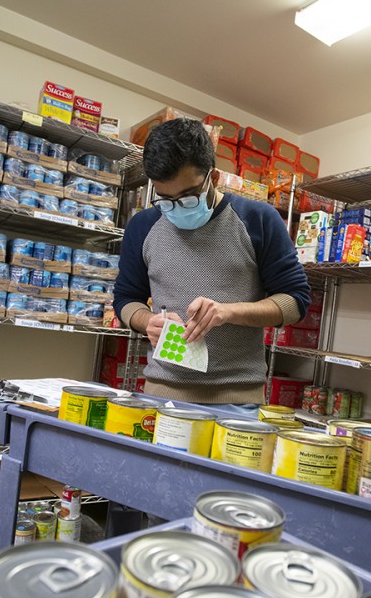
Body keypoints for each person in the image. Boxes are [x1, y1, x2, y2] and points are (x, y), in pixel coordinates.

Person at [113, 118, 312, 404]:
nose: (177, 209)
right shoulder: (143, 226)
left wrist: (228, 312)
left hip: (238, 399)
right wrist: (148, 322)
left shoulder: (258, 219)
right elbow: (126, 299)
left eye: (188, 196)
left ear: (214, 178)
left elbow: (295, 302)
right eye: (165, 199)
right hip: (163, 394)